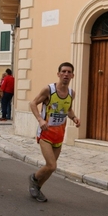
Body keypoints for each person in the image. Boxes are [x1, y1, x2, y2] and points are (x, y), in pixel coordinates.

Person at [28, 62, 81, 202]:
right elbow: (33, 103)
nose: (66, 74)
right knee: (52, 165)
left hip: (59, 135)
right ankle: (34, 178)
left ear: (72, 75)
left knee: (51, 168)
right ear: (58, 74)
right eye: (63, 71)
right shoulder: (49, 90)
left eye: (69, 72)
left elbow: (67, 110)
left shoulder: (71, 93)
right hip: (45, 133)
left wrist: (74, 117)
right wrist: (40, 119)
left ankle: (37, 187)